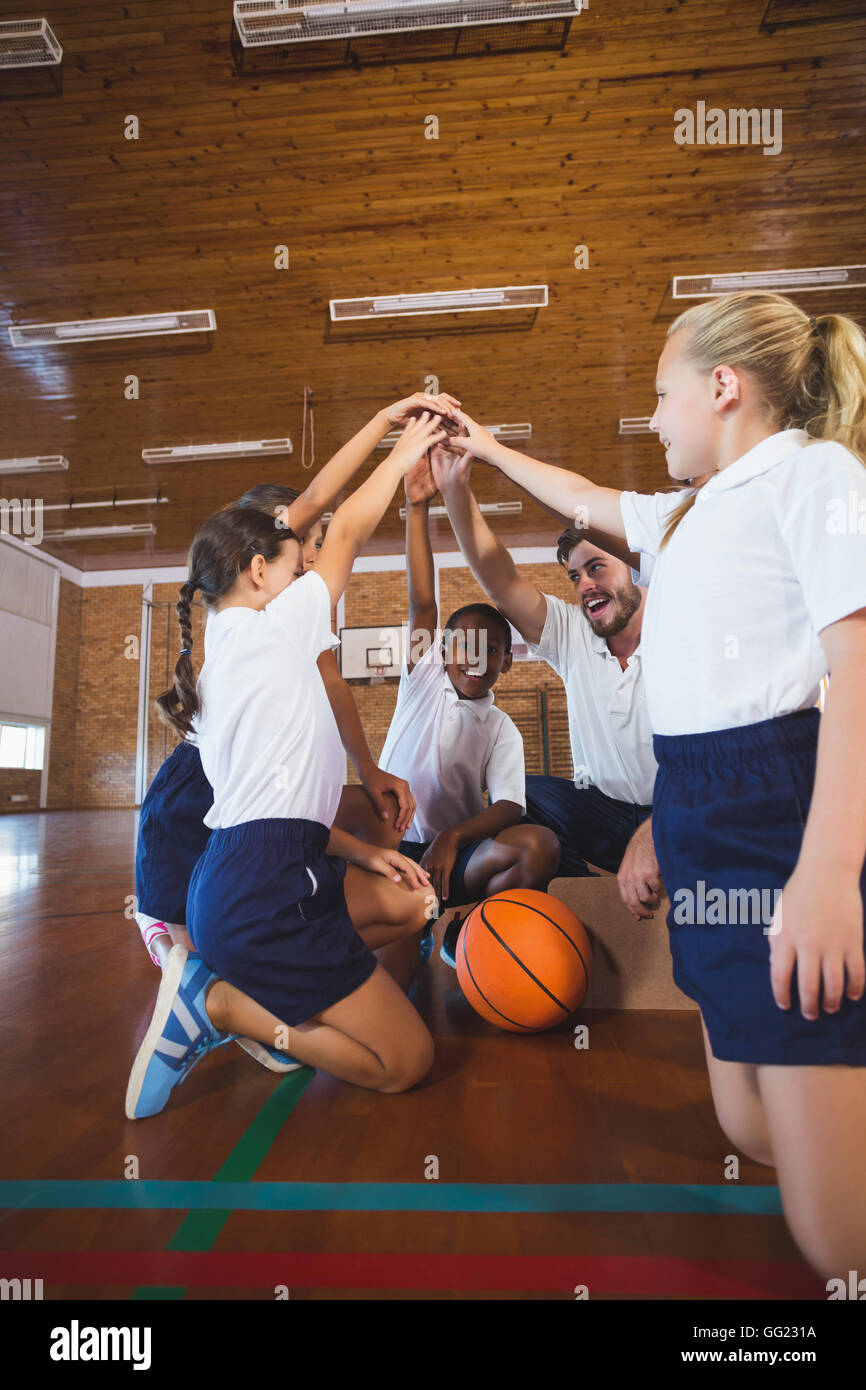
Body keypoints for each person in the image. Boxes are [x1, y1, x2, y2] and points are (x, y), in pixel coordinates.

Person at [439, 292, 866, 1278]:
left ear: (722, 388)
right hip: (696, 801)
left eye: (659, 395)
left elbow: (854, 671)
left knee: (829, 1228)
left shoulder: (810, 473)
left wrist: (827, 870)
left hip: (775, 802)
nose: (651, 417)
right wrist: (485, 452)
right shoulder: (678, 515)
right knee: (746, 1123)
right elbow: (575, 490)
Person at [126, 409, 455, 1120]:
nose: (307, 562)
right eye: (292, 558)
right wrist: (402, 450)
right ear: (256, 571)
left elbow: (310, 515)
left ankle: (253, 988)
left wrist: (385, 423)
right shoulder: (271, 630)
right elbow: (343, 527)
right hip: (260, 891)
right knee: (408, 1061)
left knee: (407, 902)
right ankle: (220, 1007)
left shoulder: (233, 645)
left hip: (257, 876)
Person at [337, 454, 560, 966]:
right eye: (464, 646)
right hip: (391, 852)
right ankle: (383, 917)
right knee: (339, 805)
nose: (476, 658)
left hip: (451, 858)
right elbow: (422, 602)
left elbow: (510, 805)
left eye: (492, 650)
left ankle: (467, 930)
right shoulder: (425, 682)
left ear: (507, 663)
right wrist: (417, 509)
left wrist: (453, 837)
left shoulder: (501, 727)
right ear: (441, 651)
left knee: (538, 845)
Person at [430, 442, 661, 919]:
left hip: (677, 813)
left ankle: (670, 867)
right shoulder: (571, 630)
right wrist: (455, 489)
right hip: (605, 811)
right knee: (525, 795)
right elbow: (499, 578)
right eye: (574, 576)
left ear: (635, 571)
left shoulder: (676, 623)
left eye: (597, 567)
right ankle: (586, 896)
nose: (584, 586)